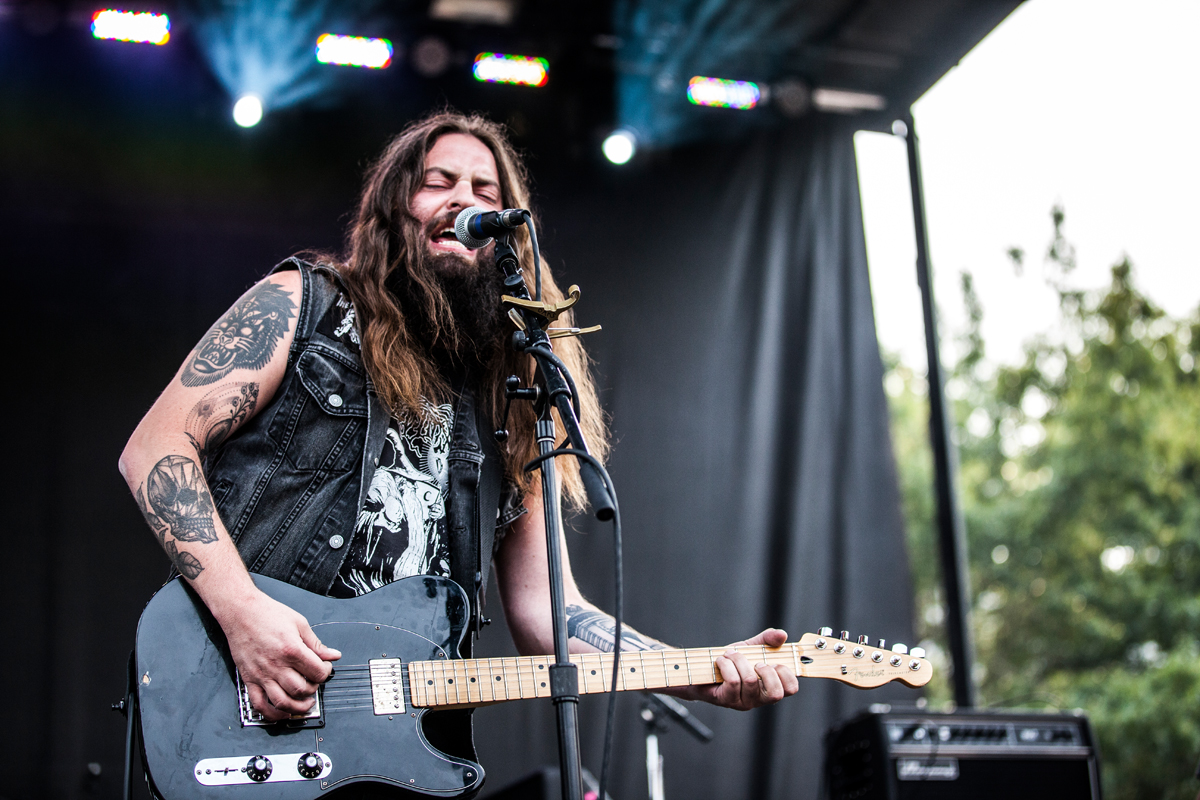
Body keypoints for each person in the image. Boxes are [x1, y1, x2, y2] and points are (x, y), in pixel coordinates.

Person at [118, 112, 798, 742]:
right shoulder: (308, 306)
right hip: (253, 702)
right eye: (437, 183)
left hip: (404, 741)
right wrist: (244, 616)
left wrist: (699, 670)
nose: (462, 198)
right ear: (394, 209)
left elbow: (549, 613)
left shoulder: (514, 389)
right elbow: (154, 449)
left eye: (482, 187)